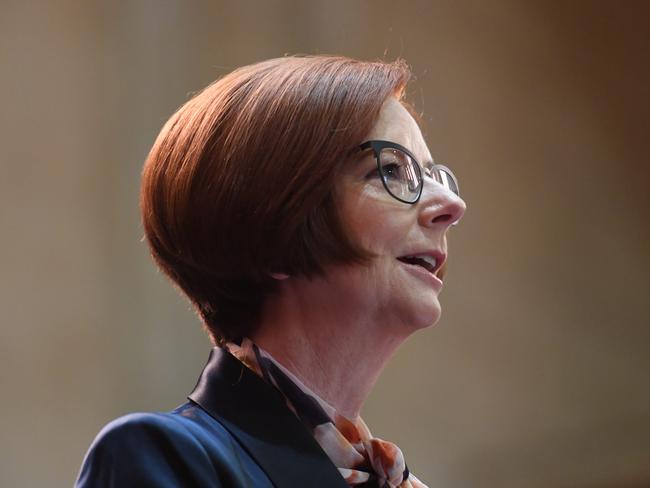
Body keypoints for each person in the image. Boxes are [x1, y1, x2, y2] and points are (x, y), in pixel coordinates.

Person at [76, 55, 466, 488]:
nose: (452, 207)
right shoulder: (166, 458)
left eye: (435, 176)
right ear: (275, 229)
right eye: (391, 170)